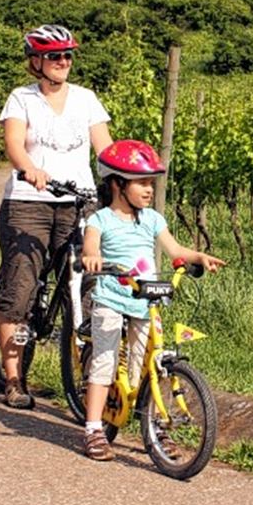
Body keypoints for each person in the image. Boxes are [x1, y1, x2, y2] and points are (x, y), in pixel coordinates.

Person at [79, 140, 225, 461]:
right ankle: (93, 429)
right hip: (111, 298)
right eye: (141, 183)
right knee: (104, 361)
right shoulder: (100, 220)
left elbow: (175, 250)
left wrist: (198, 256)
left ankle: (155, 426)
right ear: (117, 184)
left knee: (148, 366)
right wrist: (92, 257)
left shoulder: (153, 219)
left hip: (145, 300)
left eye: (151, 183)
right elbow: (91, 246)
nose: (149, 189)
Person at [0, 24, 112, 409]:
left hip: (79, 201)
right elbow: (14, 142)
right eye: (54, 56)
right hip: (30, 201)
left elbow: (104, 149)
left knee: (87, 285)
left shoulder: (86, 99)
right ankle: (14, 379)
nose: (63, 62)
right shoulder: (22, 98)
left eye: (67, 55)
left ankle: (91, 381)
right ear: (36, 61)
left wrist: (120, 178)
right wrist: (29, 168)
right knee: (22, 286)